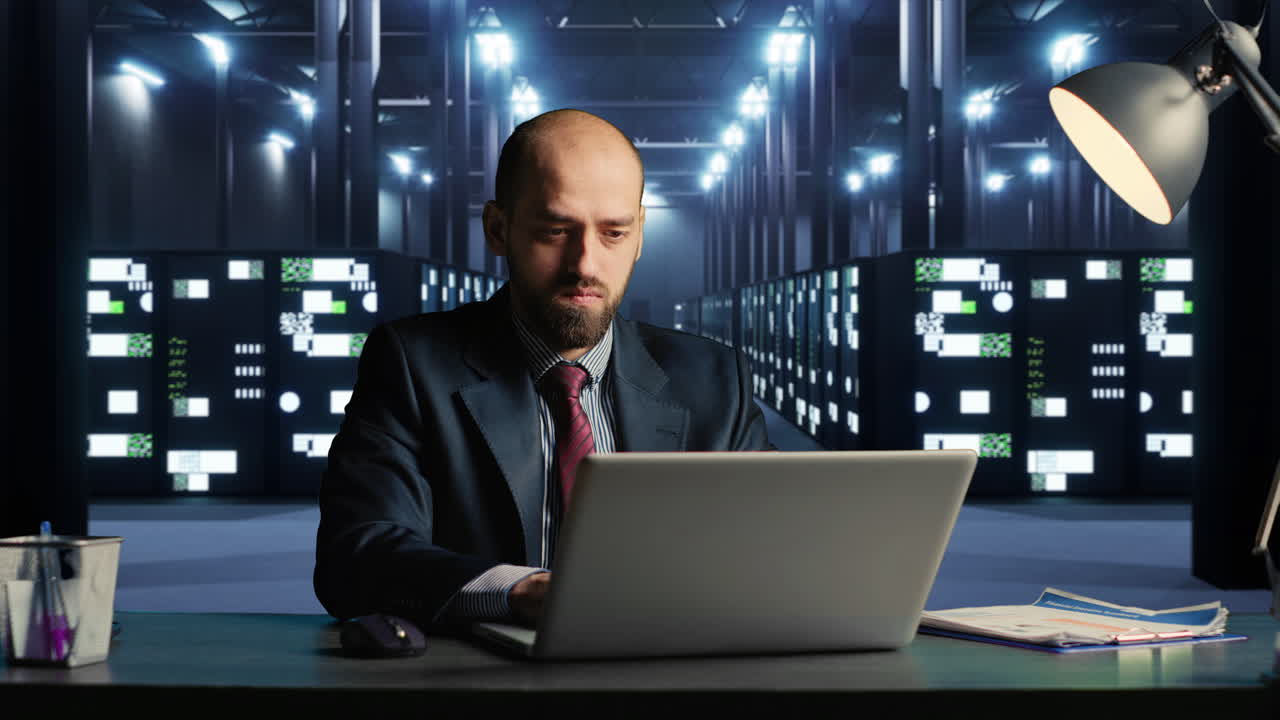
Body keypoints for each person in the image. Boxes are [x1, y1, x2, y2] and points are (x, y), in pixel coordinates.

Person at [314, 109, 772, 631]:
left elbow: (778, 545)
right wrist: (518, 591)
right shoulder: (413, 364)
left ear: (641, 234)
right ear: (498, 229)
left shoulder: (714, 379)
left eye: (614, 233)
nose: (585, 264)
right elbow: (356, 556)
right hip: (483, 692)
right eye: (556, 230)